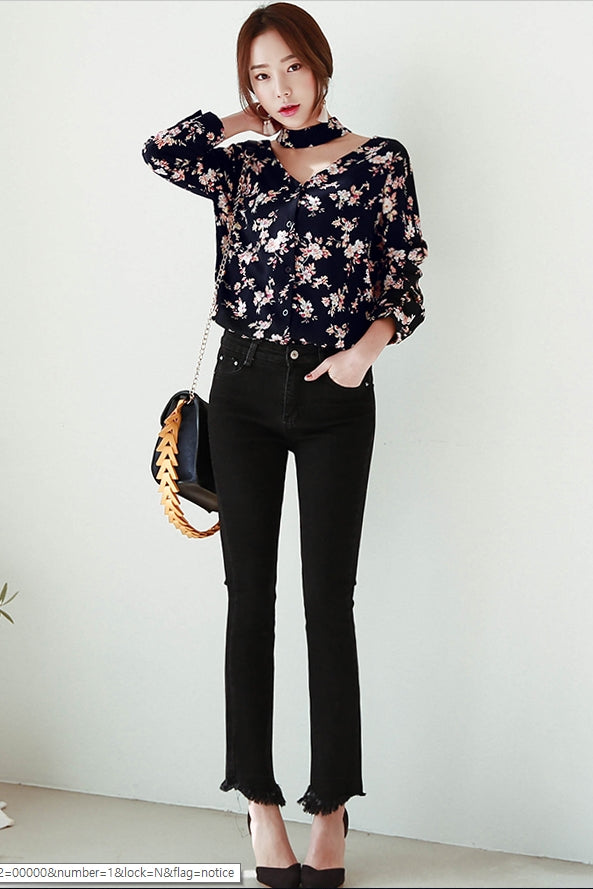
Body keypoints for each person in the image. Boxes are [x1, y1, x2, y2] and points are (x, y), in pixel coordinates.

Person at [142, 3, 427, 886]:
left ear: (320, 63)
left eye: (292, 68)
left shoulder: (379, 162)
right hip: (242, 392)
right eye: (261, 75)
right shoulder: (241, 167)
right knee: (249, 600)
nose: (281, 88)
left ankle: (330, 807)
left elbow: (405, 280)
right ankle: (260, 804)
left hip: (336, 395)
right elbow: (162, 150)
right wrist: (244, 117)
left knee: (327, 602)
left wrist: (362, 354)